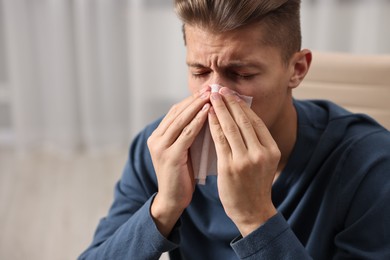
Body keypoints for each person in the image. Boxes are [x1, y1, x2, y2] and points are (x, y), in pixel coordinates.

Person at [79, 0, 390, 259]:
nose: (214, 95)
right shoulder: (161, 148)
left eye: (241, 73)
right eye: (199, 71)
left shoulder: (371, 164)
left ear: (297, 69)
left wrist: (256, 218)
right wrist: (164, 207)